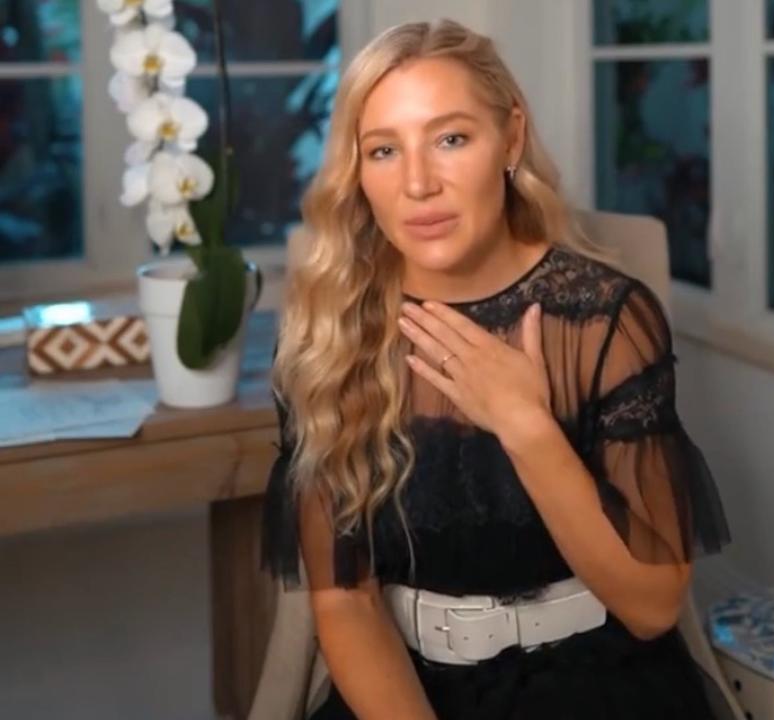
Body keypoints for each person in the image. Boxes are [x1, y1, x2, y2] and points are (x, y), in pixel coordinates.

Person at [262, 17, 732, 720]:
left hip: (596, 686)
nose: (418, 183)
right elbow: (345, 600)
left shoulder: (604, 319)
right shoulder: (329, 332)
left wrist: (525, 425)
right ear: (358, 173)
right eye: (384, 150)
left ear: (509, 139)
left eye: (451, 139)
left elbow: (652, 606)